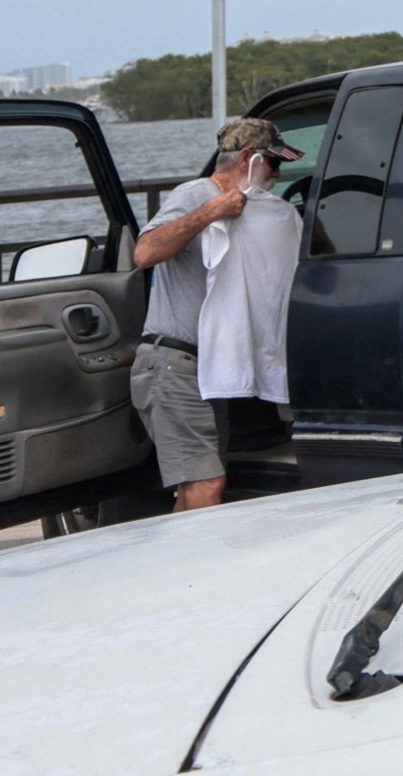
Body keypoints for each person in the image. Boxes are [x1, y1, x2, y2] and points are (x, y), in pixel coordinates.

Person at [130, 117, 303, 511]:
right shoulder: (196, 194)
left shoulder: (266, 211)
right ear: (248, 159)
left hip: (206, 369)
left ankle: (174, 567)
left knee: (196, 488)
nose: (277, 176)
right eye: (274, 164)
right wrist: (210, 212)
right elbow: (145, 253)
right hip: (174, 365)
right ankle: (190, 570)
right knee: (207, 484)